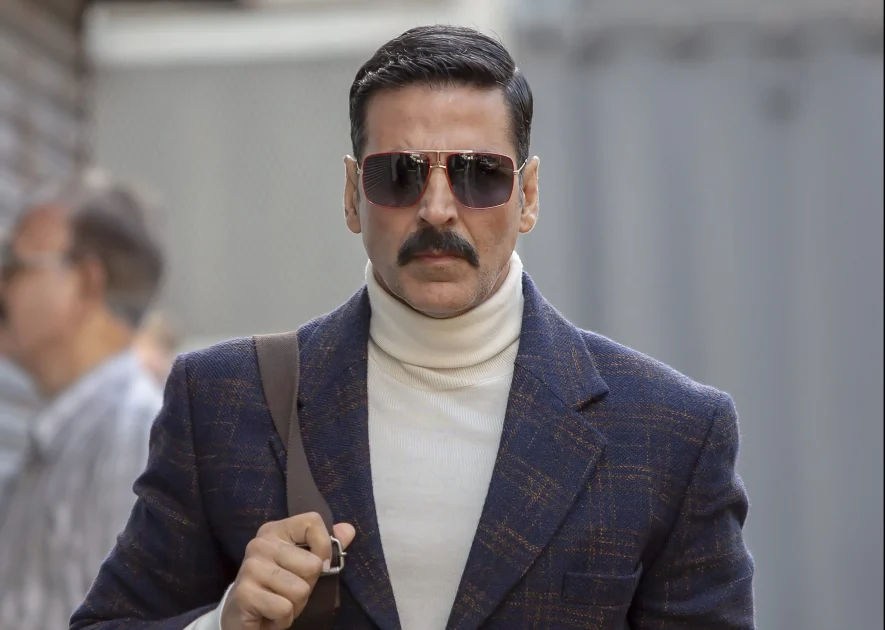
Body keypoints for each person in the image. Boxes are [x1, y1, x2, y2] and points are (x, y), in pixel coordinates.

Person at [71, 25, 754, 630]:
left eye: (478, 175)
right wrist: (225, 623)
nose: (437, 209)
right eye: (399, 175)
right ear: (352, 196)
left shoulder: (669, 433)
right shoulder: (224, 401)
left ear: (528, 196)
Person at [0, 169, 165, 630]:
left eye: (14, 265)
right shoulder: (50, 449)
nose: (2, 286)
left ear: (87, 282)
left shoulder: (139, 435)